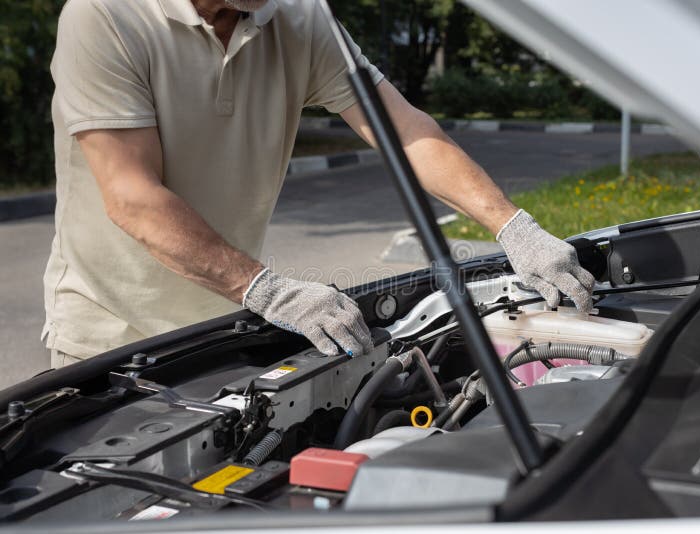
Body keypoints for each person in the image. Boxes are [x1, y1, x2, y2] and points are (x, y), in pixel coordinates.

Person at [44, 0, 595, 367]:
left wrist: (514, 227)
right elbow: (133, 198)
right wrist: (269, 289)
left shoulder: (301, 18)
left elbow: (402, 129)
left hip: (227, 326)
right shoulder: (104, 16)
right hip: (109, 339)